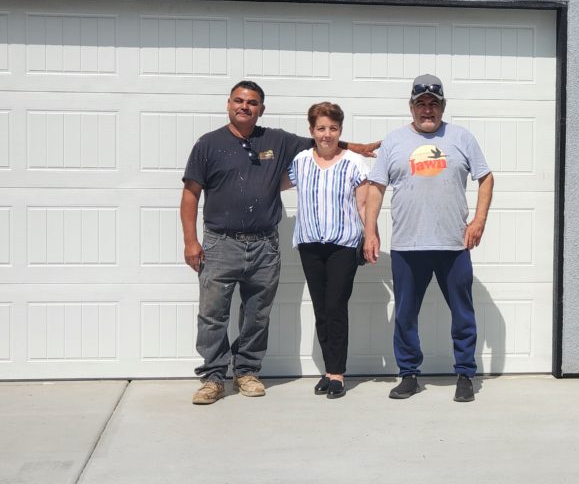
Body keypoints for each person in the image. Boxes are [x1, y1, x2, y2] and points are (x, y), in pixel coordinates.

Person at [181, 81, 377, 405]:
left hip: (264, 245)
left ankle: (246, 372)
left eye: (253, 102)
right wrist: (190, 241)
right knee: (213, 314)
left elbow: (326, 142)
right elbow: (190, 194)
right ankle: (213, 378)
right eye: (239, 101)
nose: (245, 106)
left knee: (257, 313)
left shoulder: (276, 140)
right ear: (229, 103)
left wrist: (359, 147)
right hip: (221, 243)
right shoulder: (208, 144)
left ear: (261, 109)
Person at [363, 74, 494, 403]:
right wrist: (370, 230)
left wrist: (478, 220)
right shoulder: (393, 142)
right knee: (406, 314)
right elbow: (375, 188)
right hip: (408, 246)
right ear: (411, 107)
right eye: (420, 104)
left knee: (462, 313)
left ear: (442, 107)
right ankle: (408, 374)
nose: (427, 110)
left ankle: (465, 373)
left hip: (453, 245)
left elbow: (486, 177)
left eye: (433, 104)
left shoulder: (461, 137)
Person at [281, 102, 370, 399]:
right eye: (321, 128)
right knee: (321, 309)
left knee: (335, 306)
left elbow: (364, 205)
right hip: (309, 244)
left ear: (340, 131)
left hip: (343, 244)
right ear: (312, 131)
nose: (327, 134)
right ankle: (328, 369)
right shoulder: (301, 161)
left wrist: (371, 236)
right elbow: (270, 183)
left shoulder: (355, 162)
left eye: (333, 128)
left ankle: (338, 374)